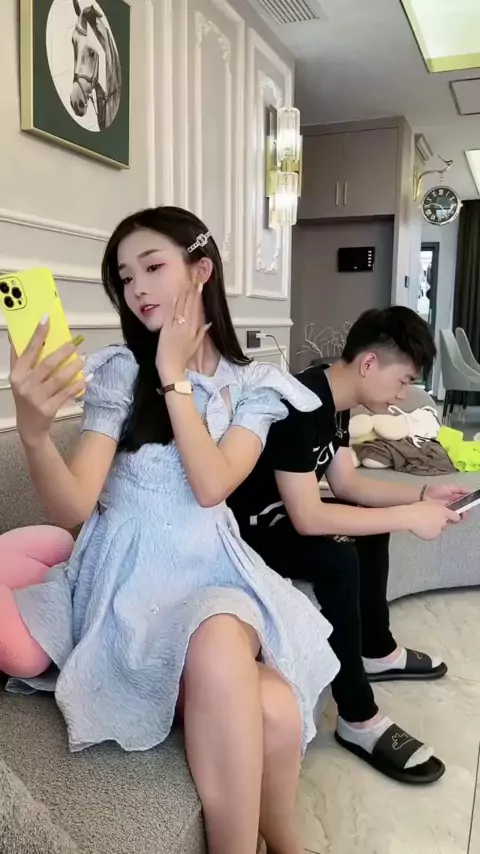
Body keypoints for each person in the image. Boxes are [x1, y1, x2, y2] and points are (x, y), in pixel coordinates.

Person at [0, 206, 339, 854]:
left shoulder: (252, 385)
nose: (137, 289)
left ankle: (282, 842)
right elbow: (74, 506)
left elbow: (213, 485)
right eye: (125, 277)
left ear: (201, 270)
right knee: (269, 704)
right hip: (127, 584)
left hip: (209, 569)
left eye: (152, 267)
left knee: (226, 641)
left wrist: (175, 376)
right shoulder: (120, 373)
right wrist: (37, 436)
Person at [228, 306, 467, 787]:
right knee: (338, 559)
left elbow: (349, 484)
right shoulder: (298, 404)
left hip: (282, 514)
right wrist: (410, 517)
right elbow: (308, 517)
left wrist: (423, 495)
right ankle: (358, 719)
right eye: (403, 381)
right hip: (247, 530)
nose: (404, 394)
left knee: (369, 528)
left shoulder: (335, 402)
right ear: (369, 364)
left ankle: (377, 650)